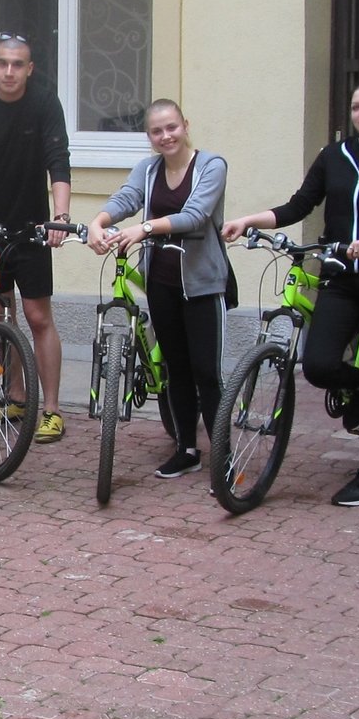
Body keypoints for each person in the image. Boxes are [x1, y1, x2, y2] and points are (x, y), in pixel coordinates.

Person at [223, 76, 359, 506]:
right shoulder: (335, 156)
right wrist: (248, 220)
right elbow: (299, 205)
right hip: (340, 278)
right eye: (356, 107)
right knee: (318, 365)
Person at [87, 100, 231, 479]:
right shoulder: (148, 169)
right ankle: (187, 449)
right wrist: (98, 222)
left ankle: (224, 457)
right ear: (148, 136)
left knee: (206, 373)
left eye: (171, 128)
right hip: (161, 283)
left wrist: (145, 228)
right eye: (156, 131)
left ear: (185, 125)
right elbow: (126, 198)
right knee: (176, 369)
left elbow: (195, 215)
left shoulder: (211, 165)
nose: (165, 136)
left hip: (201, 285)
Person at [0, 34, 72, 442]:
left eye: (17, 64)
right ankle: (16, 397)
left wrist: (60, 217)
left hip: (31, 229)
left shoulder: (44, 103)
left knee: (38, 317)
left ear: (29, 69)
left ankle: (51, 409)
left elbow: (59, 161)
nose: (9, 71)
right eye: (2, 63)